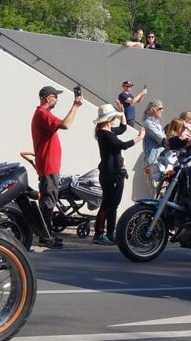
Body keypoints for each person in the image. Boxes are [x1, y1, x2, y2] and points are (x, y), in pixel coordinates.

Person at [32, 86, 83, 248]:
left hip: (49, 164)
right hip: (48, 165)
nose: (57, 99)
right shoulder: (42, 113)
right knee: (49, 200)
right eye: (55, 96)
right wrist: (75, 106)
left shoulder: (43, 113)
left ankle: (46, 234)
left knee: (49, 198)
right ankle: (45, 237)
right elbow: (65, 125)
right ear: (47, 98)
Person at [92, 103, 144, 244]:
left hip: (117, 173)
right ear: (108, 119)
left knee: (113, 205)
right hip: (111, 174)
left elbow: (123, 128)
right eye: (113, 116)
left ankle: (110, 233)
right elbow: (122, 145)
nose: (115, 118)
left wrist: (122, 114)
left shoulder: (108, 130)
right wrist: (139, 138)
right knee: (107, 204)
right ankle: (99, 234)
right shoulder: (104, 133)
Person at [141, 100, 167, 189]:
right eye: (160, 108)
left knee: (162, 193)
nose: (162, 110)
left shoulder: (157, 124)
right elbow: (162, 140)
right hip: (153, 163)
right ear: (153, 110)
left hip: (160, 163)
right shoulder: (148, 123)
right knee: (156, 193)